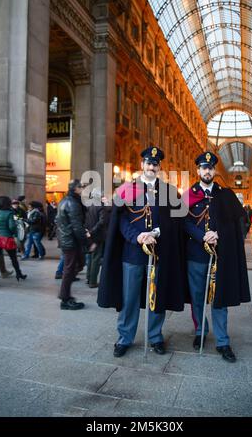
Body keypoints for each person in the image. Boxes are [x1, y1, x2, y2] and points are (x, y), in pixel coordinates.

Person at [98, 146, 188, 358]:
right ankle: (125, 338)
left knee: (157, 296)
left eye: (155, 164)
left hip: (159, 252)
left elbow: (175, 221)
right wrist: (136, 237)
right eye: (148, 163)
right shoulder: (127, 189)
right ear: (142, 165)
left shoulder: (169, 191)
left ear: (159, 167)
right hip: (133, 253)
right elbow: (120, 219)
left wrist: (156, 232)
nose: (151, 167)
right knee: (129, 298)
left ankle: (155, 336)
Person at [183, 152, 250, 363]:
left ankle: (222, 341)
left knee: (219, 300)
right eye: (204, 167)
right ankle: (200, 332)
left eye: (211, 168)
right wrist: (202, 235)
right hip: (195, 255)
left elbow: (241, 223)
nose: (207, 171)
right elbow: (181, 223)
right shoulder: (188, 195)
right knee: (197, 296)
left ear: (214, 171)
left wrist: (219, 233)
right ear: (198, 170)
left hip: (220, 256)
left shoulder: (225, 195)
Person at [56, 179, 88, 310]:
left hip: (67, 239)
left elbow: (58, 220)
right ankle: (65, 299)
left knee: (74, 267)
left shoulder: (64, 201)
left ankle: (65, 296)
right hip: (71, 241)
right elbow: (76, 226)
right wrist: (86, 241)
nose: (83, 189)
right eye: (81, 187)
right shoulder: (73, 203)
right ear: (76, 189)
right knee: (69, 270)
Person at [0, 196, 27, 286]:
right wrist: (15, 233)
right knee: (13, 258)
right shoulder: (9, 213)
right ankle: (19, 274)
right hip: (7, 238)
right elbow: (12, 227)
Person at [85, 188, 108, 288]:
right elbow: (102, 221)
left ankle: (88, 278)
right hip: (97, 235)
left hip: (89, 234)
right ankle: (92, 281)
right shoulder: (100, 206)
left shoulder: (88, 205)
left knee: (91, 257)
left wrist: (88, 231)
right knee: (96, 258)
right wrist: (92, 231)